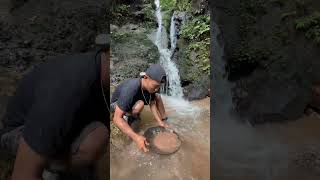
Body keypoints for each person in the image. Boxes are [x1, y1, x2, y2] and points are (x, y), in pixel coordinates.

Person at [0, 48, 110, 180]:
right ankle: (48, 169)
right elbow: (22, 176)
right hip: (19, 132)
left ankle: (57, 163)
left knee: (99, 135)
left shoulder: (102, 69)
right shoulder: (66, 89)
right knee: (95, 141)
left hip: (62, 122)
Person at [111, 64, 169, 153]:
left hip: (133, 101)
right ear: (145, 77)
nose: (157, 89)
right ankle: (128, 116)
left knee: (156, 96)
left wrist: (160, 122)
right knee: (140, 105)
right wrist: (136, 137)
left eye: (159, 87)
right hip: (116, 104)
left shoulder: (151, 88)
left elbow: (152, 104)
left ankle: (133, 114)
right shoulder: (131, 88)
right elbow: (116, 118)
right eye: (155, 86)